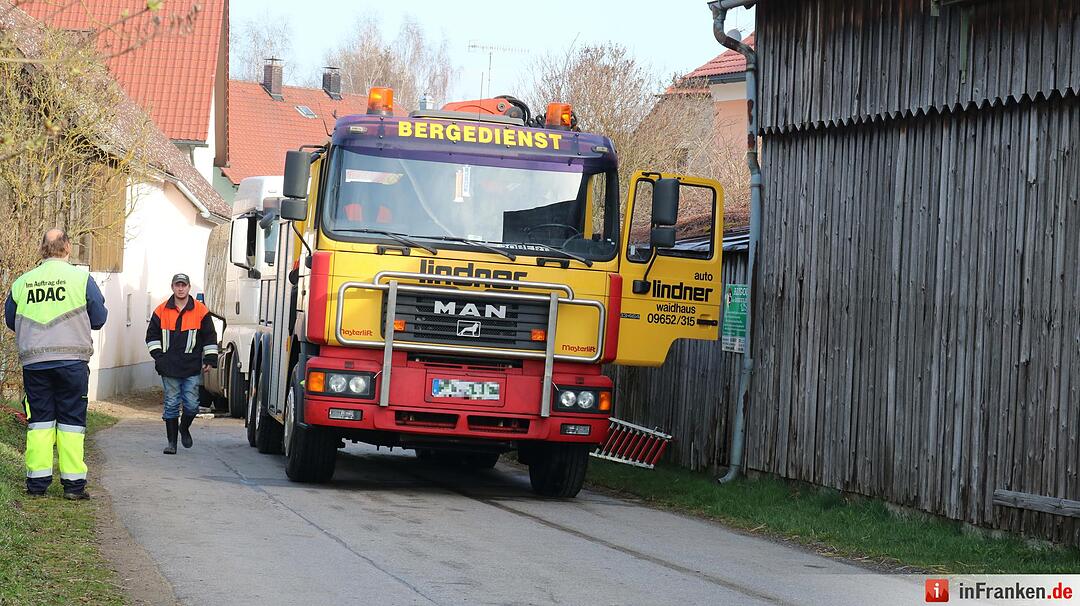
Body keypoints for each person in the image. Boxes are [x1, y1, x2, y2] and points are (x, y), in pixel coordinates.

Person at [4, 228, 107, 500]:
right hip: (72, 362)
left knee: (39, 421)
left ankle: (37, 483)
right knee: (72, 421)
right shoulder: (81, 279)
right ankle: (74, 486)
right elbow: (98, 318)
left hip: (35, 363)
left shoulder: (23, 282)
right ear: (68, 248)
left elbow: (11, 320)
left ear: (42, 249)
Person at [145, 273, 217, 454]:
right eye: (177, 285)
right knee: (171, 404)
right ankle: (172, 444)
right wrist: (159, 357)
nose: (180, 288)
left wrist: (209, 359)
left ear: (189, 287)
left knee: (192, 405)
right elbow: (151, 337)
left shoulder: (200, 311)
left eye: (183, 285)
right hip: (169, 367)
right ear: (172, 287)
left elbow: (209, 336)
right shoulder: (161, 310)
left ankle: (184, 428)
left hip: (191, 367)